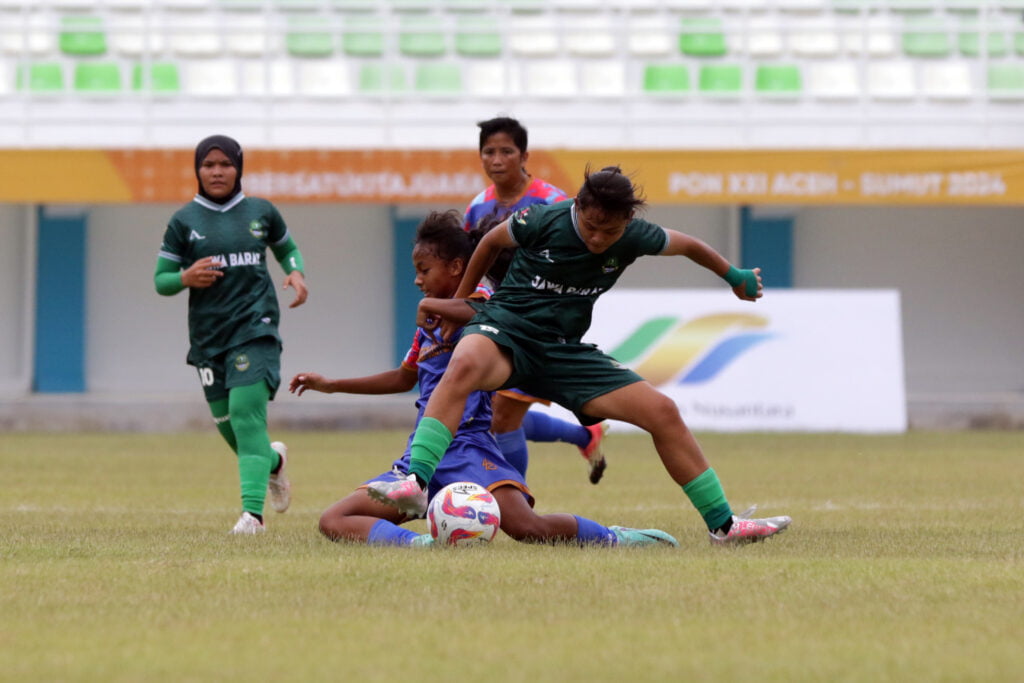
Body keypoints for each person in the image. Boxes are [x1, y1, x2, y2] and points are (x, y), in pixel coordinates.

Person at [369, 166, 792, 546]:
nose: (596, 237)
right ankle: (415, 481)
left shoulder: (635, 236)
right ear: (579, 208)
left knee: (662, 411)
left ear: (627, 221)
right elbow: (490, 243)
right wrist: (460, 305)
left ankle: (724, 526)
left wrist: (734, 276)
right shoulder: (542, 219)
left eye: (608, 231)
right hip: (507, 330)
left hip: (562, 351)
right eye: (589, 225)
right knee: (464, 363)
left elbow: (688, 245)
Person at [290, 210, 676, 548]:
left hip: (470, 449)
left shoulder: (487, 306)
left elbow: (480, 309)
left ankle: (615, 537)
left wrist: (437, 306)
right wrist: (333, 384)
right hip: (421, 454)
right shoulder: (429, 326)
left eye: (424, 270)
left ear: (457, 268)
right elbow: (403, 377)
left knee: (530, 528)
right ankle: (422, 545)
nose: (417, 281)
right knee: (334, 520)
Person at [153, 134, 308, 535]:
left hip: (255, 329)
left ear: (238, 167)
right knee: (229, 426)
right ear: (198, 170)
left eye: (225, 164)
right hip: (208, 338)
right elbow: (161, 281)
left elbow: (287, 248)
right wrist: (184, 277)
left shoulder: (260, 211)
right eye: (209, 165)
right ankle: (273, 464)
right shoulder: (184, 221)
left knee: (245, 415)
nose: (217, 171)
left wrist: (295, 271)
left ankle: (251, 517)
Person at [466, 115, 607, 484]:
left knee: (503, 415)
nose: (496, 159)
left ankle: (517, 501)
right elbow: (473, 264)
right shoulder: (477, 208)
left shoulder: (553, 202)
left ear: (524, 155)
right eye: (489, 151)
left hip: (538, 321)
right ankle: (583, 435)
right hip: (495, 320)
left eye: (506, 151)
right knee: (495, 412)